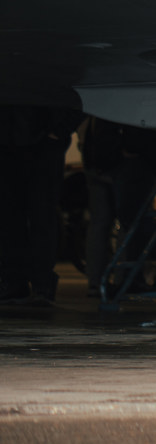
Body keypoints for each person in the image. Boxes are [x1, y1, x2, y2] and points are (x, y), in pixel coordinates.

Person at [0, 106, 83, 306]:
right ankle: (30, 283)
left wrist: (58, 132)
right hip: (27, 140)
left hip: (36, 141)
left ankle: (32, 283)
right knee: (18, 217)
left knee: (35, 216)